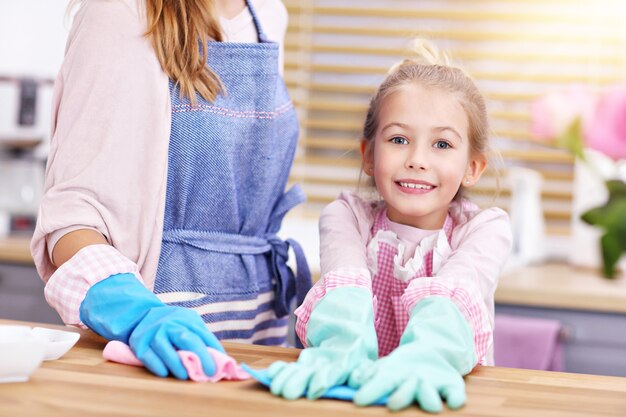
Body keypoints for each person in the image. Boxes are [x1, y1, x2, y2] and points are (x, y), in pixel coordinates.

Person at [30, 0, 311, 381]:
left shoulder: (269, 14)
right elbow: (70, 216)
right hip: (159, 347)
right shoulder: (118, 14)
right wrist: (137, 313)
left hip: (261, 335)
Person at [267, 40, 512, 412]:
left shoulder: (485, 230)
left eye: (442, 144)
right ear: (369, 155)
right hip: (353, 400)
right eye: (399, 139)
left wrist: (429, 355)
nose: (417, 160)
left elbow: (454, 295)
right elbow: (345, 291)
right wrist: (340, 347)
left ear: (473, 167)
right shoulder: (346, 217)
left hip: (440, 402)